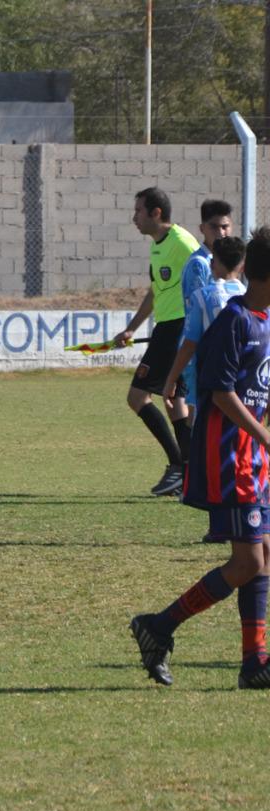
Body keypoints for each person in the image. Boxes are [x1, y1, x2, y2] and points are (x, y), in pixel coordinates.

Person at [131, 226, 270, 689]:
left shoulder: (265, 320)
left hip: (255, 457)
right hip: (229, 456)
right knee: (249, 561)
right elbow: (220, 390)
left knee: (261, 556)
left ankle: (255, 664)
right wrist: (263, 435)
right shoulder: (234, 321)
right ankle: (159, 625)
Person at [113, 187, 201, 497]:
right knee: (175, 402)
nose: (133, 216)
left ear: (156, 213)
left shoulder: (182, 243)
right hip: (166, 328)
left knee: (138, 397)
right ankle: (189, 471)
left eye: (138, 210)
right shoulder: (157, 246)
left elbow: (207, 274)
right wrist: (131, 329)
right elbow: (156, 292)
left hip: (177, 329)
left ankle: (180, 467)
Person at [163, 236, 246, 408]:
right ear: (242, 267)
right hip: (242, 379)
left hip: (209, 379)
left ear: (213, 263)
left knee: (201, 426)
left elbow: (189, 344)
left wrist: (171, 380)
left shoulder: (202, 296)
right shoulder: (248, 297)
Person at [176, 199, 234, 418]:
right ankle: (194, 452)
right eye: (214, 227)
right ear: (202, 229)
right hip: (204, 351)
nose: (221, 232)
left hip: (223, 350)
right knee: (201, 413)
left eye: (225, 226)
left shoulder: (229, 260)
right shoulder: (199, 264)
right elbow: (197, 314)